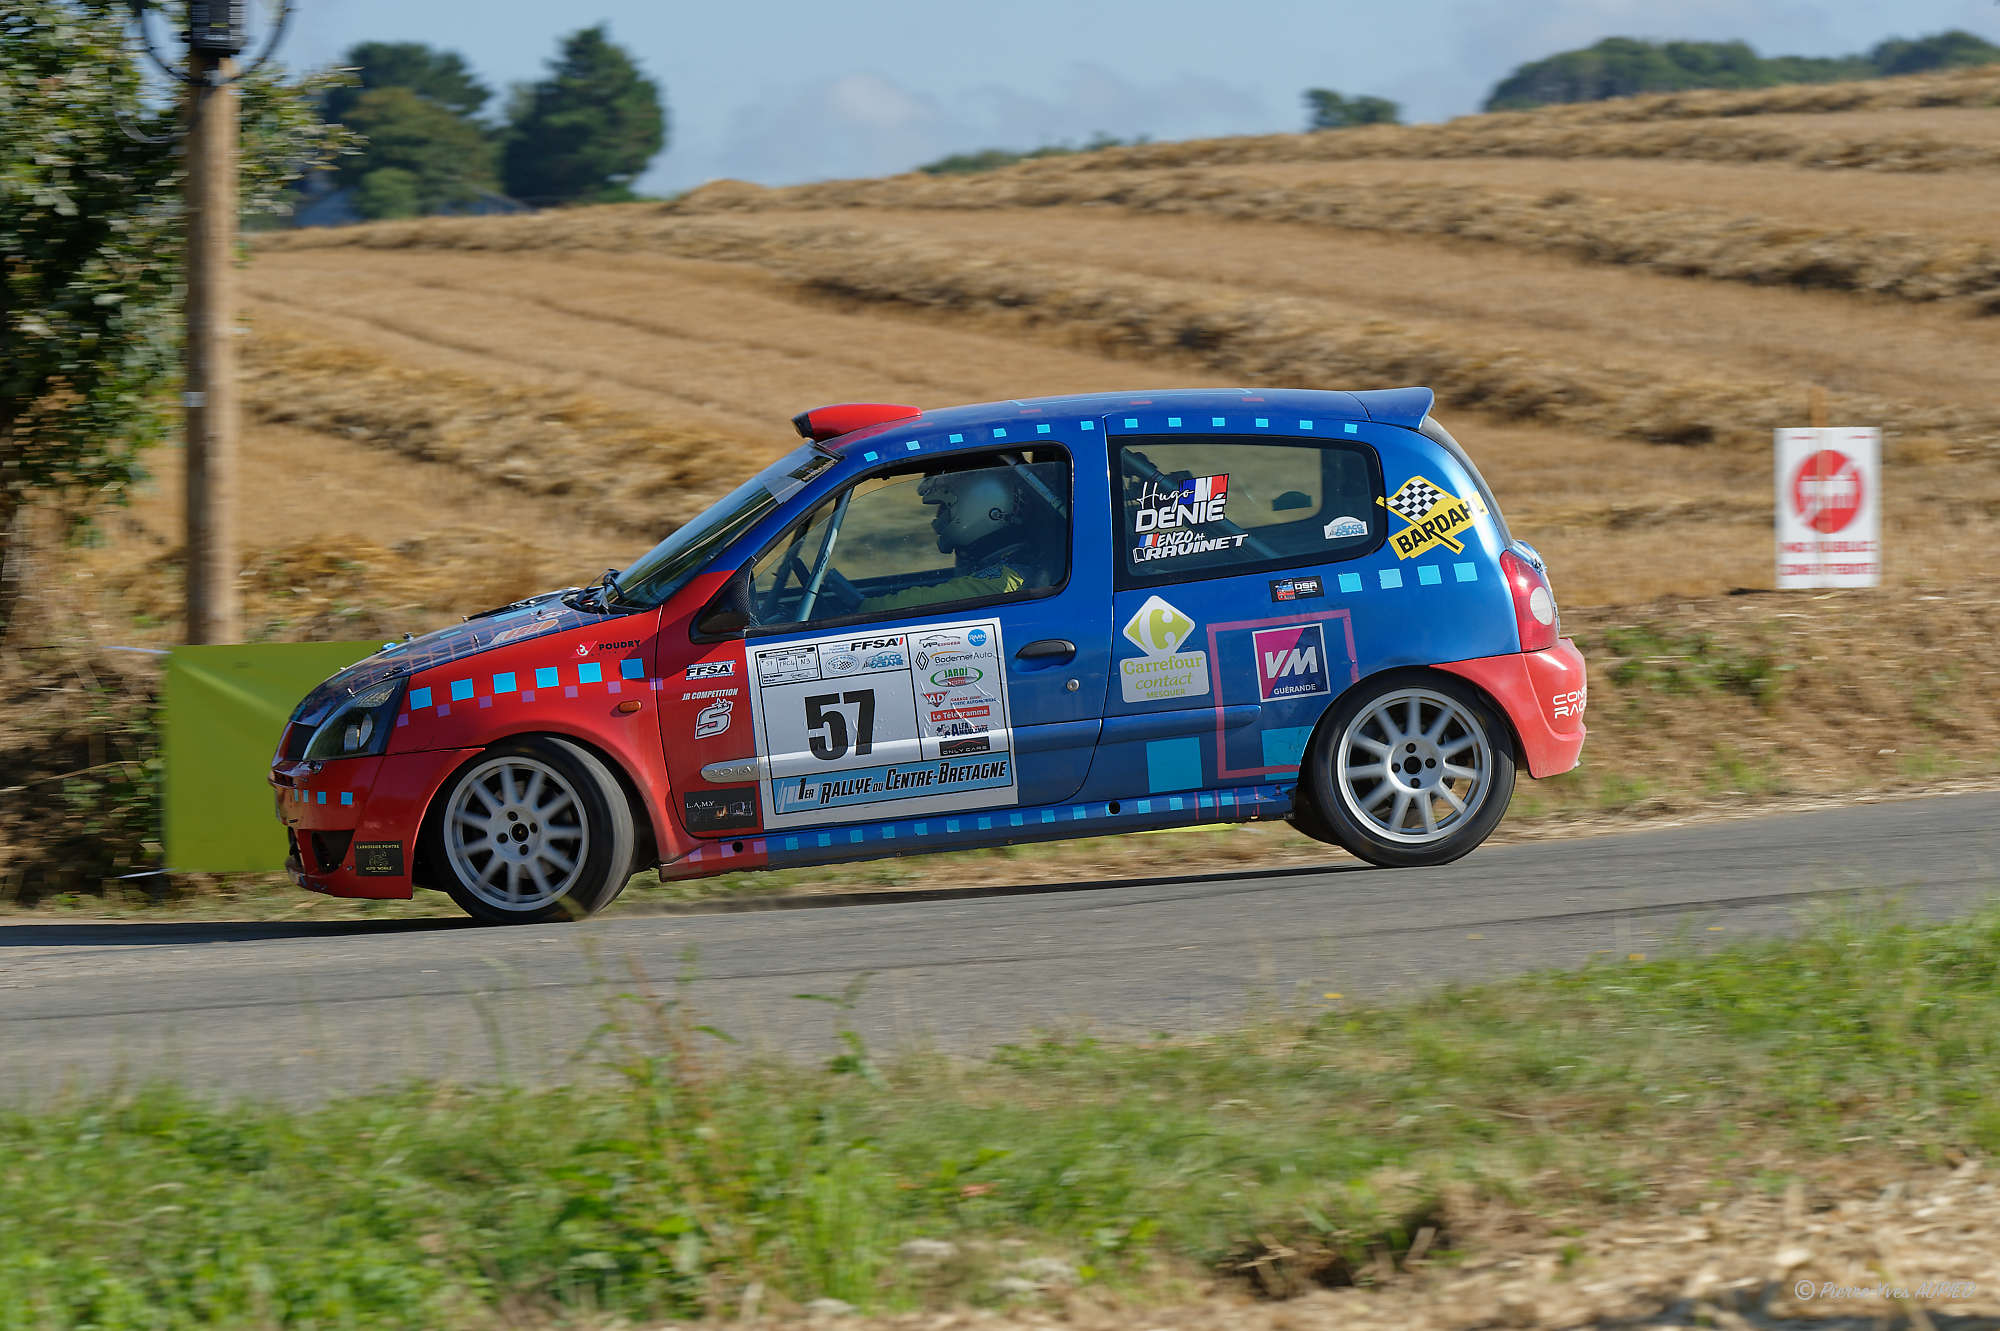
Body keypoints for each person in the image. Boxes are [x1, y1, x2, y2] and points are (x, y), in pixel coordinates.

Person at [859, 466, 1041, 612]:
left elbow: (925, 600)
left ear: (980, 506)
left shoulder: (1008, 576)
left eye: (945, 508)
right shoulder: (992, 563)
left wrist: (864, 607)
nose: (938, 519)